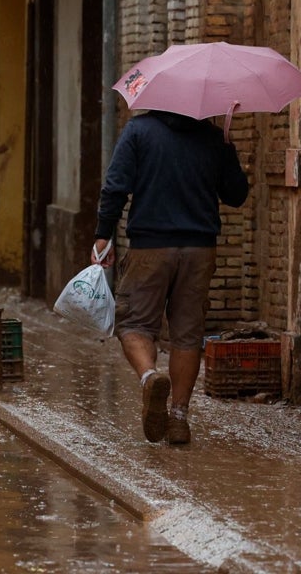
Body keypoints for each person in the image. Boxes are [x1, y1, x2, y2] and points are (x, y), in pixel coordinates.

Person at [93, 109, 248, 445]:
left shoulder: (138, 130)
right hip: (199, 249)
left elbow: (115, 186)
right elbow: (237, 196)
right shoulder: (212, 137)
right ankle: (178, 417)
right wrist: (227, 148)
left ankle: (150, 377)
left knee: (133, 324)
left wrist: (103, 233)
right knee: (187, 335)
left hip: (151, 246)